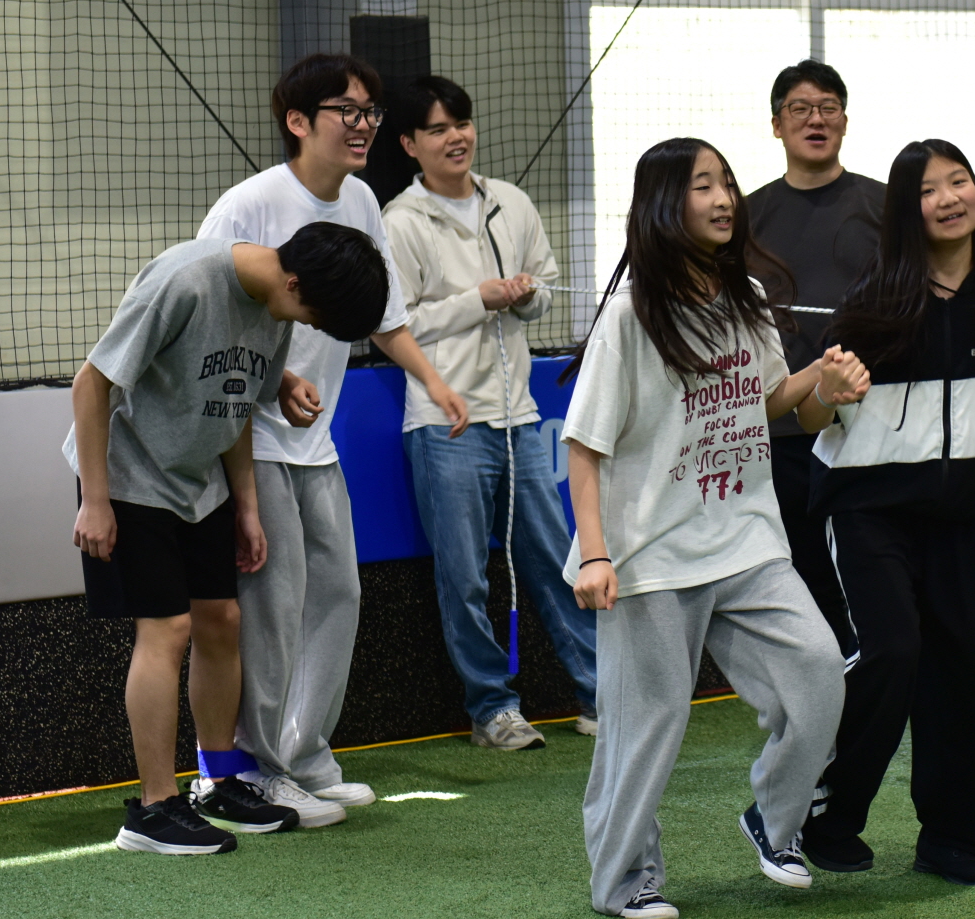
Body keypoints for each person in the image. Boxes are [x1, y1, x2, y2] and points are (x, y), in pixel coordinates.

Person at [561, 137, 864, 919]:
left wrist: (824, 382)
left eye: (727, 181)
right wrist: (594, 554)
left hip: (747, 540)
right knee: (645, 726)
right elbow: (583, 446)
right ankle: (624, 879)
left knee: (819, 673)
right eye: (704, 185)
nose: (725, 197)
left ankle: (775, 819)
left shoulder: (747, 298)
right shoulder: (629, 316)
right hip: (648, 558)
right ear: (667, 203)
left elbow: (774, 404)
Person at [198, 53, 470, 829]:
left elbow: (383, 313)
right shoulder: (247, 205)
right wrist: (272, 386)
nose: (362, 125)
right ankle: (255, 771)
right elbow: (209, 317)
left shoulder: (360, 199)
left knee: (338, 594)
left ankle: (306, 755)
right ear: (297, 121)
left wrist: (434, 381)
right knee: (273, 607)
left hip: (317, 446)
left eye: (369, 112)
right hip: (251, 439)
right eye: (346, 111)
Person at [67, 223, 390, 853]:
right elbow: (91, 384)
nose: (309, 325)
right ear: (293, 283)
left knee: (222, 621)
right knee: (167, 629)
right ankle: (153, 809)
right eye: (315, 315)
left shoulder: (275, 307)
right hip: (129, 478)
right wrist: (96, 501)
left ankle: (217, 781)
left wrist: (246, 507)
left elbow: (234, 404)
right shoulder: (185, 281)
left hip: (199, 483)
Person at [810, 139, 975, 886]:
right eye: (929, 190)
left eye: (960, 181)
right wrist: (827, 389)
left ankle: (964, 839)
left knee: (970, 672)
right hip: (869, 513)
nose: (950, 198)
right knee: (890, 652)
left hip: (963, 519)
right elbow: (817, 410)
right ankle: (818, 810)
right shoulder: (872, 305)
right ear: (905, 210)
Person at [383, 77, 601, 751]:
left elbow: (546, 287)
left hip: (520, 418)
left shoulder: (511, 203)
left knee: (555, 561)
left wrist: (527, 295)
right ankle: (493, 709)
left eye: (462, 123)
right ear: (409, 144)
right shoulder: (400, 222)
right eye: (438, 129)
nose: (456, 137)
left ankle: (600, 692)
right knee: (464, 577)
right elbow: (393, 325)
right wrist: (478, 298)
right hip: (443, 424)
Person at [743, 61, 883, 661]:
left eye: (827, 107)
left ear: (845, 121)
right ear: (777, 124)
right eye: (799, 109)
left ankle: (876, 684)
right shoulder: (744, 217)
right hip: (782, 436)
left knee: (872, 580)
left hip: (874, 431)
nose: (815, 119)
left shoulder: (886, 206)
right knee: (806, 584)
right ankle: (824, 691)